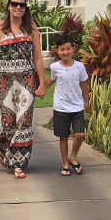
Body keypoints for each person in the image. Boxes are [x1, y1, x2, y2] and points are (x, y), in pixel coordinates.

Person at [0, 0, 47, 179]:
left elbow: (38, 57)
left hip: (27, 81)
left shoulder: (31, 28)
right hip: (4, 82)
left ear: (26, 9)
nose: (18, 8)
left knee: (23, 120)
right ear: (8, 6)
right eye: (14, 4)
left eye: (22, 5)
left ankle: (18, 163)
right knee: (8, 121)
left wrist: (42, 84)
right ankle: (5, 152)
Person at [47, 33, 90, 176]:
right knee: (63, 137)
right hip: (60, 107)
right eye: (62, 49)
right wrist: (41, 89)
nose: (65, 52)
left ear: (73, 49)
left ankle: (73, 156)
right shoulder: (54, 67)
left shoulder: (79, 67)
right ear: (57, 51)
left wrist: (87, 101)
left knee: (80, 134)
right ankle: (66, 163)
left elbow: (84, 84)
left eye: (68, 49)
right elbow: (51, 81)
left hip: (77, 106)